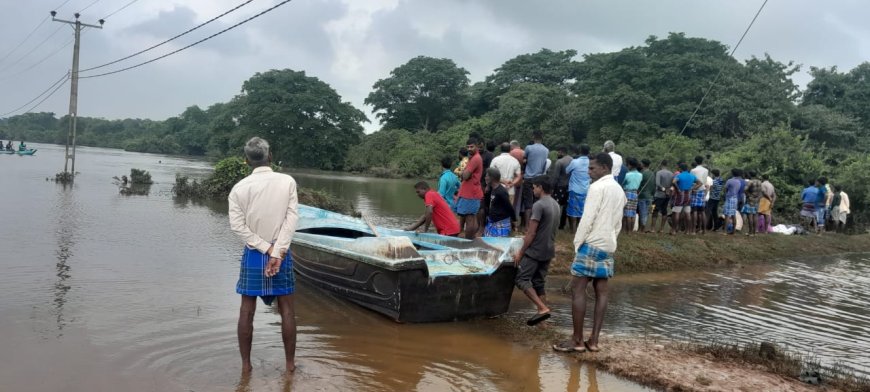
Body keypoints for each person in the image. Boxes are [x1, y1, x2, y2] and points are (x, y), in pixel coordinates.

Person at [227, 137, 299, 374]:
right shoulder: (287, 181)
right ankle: (290, 366)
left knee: (246, 310)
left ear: (246, 160)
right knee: (287, 309)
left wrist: (265, 249)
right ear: (270, 156)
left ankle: (246, 367)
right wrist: (277, 251)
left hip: (254, 253)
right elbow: (291, 219)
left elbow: (238, 227)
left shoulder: (239, 188)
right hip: (282, 252)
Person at [553, 153, 626, 353]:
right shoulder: (619, 190)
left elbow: (587, 219)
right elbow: (618, 223)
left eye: (592, 168)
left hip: (591, 242)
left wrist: (578, 243)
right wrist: (611, 240)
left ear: (604, 167)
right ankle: (593, 341)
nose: (588, 171)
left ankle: (577, 340)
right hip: (608, 245)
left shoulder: (596, 187)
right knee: (602, 292)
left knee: (578, 289)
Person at [513, 176, 560, 326]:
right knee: (539, 282)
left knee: (521, 279)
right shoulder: (556, 204)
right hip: (548, 249)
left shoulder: (539, 205)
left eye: (534, 187)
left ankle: (541, 307)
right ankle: (544, 318)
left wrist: (521, 252)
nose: (533, 190)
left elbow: (531, 232)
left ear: (540, 187)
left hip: (535, 250)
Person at [521, 131, 549, 233]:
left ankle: (527, 227)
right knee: (537, 202)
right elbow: (544, 164)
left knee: (528, 203)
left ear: (533, 137)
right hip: (539, 178)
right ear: (542, 138)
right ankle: (537, 226)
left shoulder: (529, 148)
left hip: (528, 178)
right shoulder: (546, 150)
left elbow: (524, 160)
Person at [457, 138, 484, 238]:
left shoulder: (475, 159)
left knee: (470, 219)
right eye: (468, 147)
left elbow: (465, 176)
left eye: (472, 147)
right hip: (470, 192)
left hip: (471, 193)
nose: (469, 149)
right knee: (471, 217)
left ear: (477, 146)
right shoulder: (473, 158)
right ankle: (470, 239)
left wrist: (463, 172)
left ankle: (468, 241)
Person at [565, 145, 591, 233]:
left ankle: (573, 230)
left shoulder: (575, 162)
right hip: (586, 189)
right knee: (582, 210)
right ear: (589, 152)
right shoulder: (591, 162)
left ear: (580, 151)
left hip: (575, 189)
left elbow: (567, 170)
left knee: (573, 209)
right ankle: (579, 229)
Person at [483, 168, 516, 237]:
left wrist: (514, 220)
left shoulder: (501, 192)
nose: (485, 178)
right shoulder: (492, 189)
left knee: (498, 244)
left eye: (487, 176)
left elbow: (509, 207)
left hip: (501, 222)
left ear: (492, 178)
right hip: (492, 222)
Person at [671, 162, 701, 235]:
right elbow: (700, 183)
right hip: (688, 195)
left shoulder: (679, 175)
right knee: (687, 213)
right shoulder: (691, 176)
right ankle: (688, 231)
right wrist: (693, 188)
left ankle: (674, 230)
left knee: (677, 212)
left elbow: (673, 182)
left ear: (680, 169)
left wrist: (677, 189)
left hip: (680, 195)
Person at [551, 146, 573, 230]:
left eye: (558, 152)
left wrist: (552, 187)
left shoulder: (559, 162)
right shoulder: (572, 160)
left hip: (560, 186)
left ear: (561, 152)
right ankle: (562, 225)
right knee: (565, 207)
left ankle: (554, 223)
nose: (557, 154)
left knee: (556, 206)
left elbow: (555, 176)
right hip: (569, 186)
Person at [652, 160, 674, 234]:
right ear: (667, 165)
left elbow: (658, 184)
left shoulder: (659, 173)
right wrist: (668, 190)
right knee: (664, 211)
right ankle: (661, 229)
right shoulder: (671, 173)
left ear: (661, 164)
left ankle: (652, 228)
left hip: (658, 194)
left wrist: (663, 189)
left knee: (654, 210)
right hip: (667, 195)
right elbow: (672, 184)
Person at [621, 158, 642, 234]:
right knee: (633, 212)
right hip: (635, 194)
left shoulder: (628, 174)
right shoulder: (640, 175)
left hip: (628, 193)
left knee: (627, 213)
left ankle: (627, 231)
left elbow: (623, 183)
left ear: (631, 165)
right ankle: (630, 231)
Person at [690, 156, 709, 234]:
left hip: (695, 190)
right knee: (702, 211)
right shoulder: (706, 170)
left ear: (695, 161)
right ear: (702, 161)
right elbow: (704, 181)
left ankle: (694, 230)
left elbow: (692, 181)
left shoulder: (693, 170)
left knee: (694, 210)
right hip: (702, 190)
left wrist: (693, 189)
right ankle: (703, 230)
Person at [741, 170, 762, 236]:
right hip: (757, 200)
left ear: (750, 174)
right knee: (755, 216)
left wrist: (748, 195)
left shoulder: (750, 182)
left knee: (750, 216)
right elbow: (761, 191)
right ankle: (754, 232)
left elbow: (745, 190)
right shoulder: (759, 182)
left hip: (750, 200)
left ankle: (750, 232)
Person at [723, 169, 743, 235]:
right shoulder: (738, 181)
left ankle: (725, 231)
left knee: (727, 214)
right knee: (734, 214)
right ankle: (733, 231)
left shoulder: (730, 180)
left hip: (729, 198)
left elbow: (725, 188)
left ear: (732, 173)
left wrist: (726, 195)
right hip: (735, 198)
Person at [637, 159, 655, 233]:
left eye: (641, 163)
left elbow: (638, 185)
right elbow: (654, 186)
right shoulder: (652, 173)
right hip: (650, 196)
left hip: (642, 196)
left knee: (642, 212)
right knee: (646, 213)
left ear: (643, 164)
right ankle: (641, 228)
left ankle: (642, 229)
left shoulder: (642, 174)